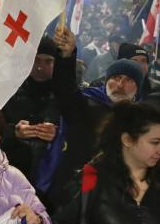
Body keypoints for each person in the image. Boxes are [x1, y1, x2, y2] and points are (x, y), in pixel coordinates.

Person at [49, 25, 147, 210]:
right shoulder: (86, 103)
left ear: (137, 88)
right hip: (74, 189)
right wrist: (67, 57)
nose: (120, 84)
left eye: (128, 80)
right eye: (116, 77)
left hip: (116, 196)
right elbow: (64, 89)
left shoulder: (142, 120)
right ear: (107, 80)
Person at [2, 36, 62, 187]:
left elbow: (78, 133)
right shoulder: (9, 90)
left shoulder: (65, 95)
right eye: (36, 60)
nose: (40, 67)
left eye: (48, 62)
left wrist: (57, 134)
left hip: (49, 178)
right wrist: (14, 132)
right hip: (9, 171)